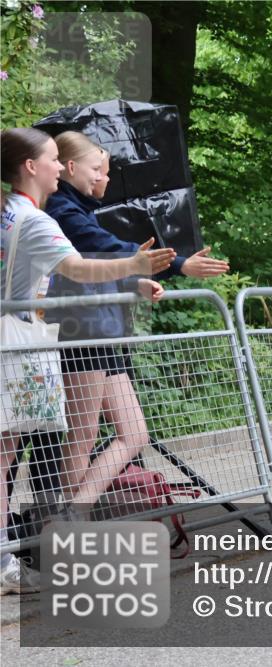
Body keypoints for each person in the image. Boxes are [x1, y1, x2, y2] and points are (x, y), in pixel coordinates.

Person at [1, 127, 174, 594]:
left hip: (25, 337)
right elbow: (77, 268)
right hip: (23, 340)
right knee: (9, 456)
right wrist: (135, 267)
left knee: (10, 455)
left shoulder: (17, 213)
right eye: (54, 159)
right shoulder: (36, 219)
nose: (61, 166)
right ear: (31, 167)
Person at [44, 131, 230, 517]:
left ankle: (74, 513)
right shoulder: (62, 209)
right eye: (98, 169)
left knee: (133, 433)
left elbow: (99, 263)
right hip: (81, 331)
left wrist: (135, 281)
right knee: (82, 436)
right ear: (72, 168)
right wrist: (178, 264)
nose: (105, 179)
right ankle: (64, 527)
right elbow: (104, 249)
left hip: (102, 329)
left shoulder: (77, 208)